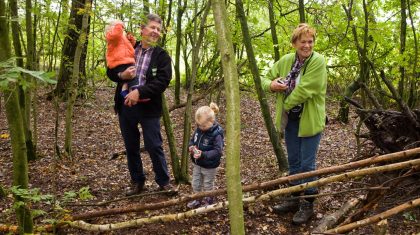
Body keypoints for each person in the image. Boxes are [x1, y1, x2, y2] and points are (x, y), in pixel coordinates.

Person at [262, 23, 327, 224]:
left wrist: (285, 104)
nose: (307, 45)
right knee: (294, 161)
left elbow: (305, 90)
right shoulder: (287, 61)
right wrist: (272, 86)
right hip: (291, 121)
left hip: (310, 120)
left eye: (310, 41)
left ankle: (307, 203)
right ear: (294, 43)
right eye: (303, 42)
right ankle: (293, 197)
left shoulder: (318, 62)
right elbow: (265, 78)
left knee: (308, 164)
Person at [106, 13, 176, 196]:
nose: (156, 32)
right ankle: (137, 182)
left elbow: (163, 81)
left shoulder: (162, 56)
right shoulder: (129, 47)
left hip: (149, 108)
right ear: (142, 29)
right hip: (126, 106)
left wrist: (140, 92)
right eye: (152, 27)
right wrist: (122, 76)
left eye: (158, 30)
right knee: (131, 146)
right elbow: (111, 70)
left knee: (154, 145)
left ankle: (164, 181)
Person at [186, 103, 224, 209]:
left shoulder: (217, 134)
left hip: (209, 165)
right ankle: (197, 199)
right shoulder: (199, 129)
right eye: (198, 125)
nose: (200, 128)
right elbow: (192, 140)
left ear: (211, 122)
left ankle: (209, 199)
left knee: (208, 184)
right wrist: (191, 147)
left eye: (203, 126)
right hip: (197, 163)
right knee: (195, 183)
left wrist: (203, 154)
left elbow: (218, 151)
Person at [105, 20, 137, 98]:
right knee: (130, 77)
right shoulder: (111, 36)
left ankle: (129, 90)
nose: (119, 28)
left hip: (128, 61)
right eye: (115, 26)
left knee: (133, 77)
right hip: (119, 62)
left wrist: (131, 39)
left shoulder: (122, 37)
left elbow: (131, 46)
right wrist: (119, 24)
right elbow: (116, 35)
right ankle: (126, 90)